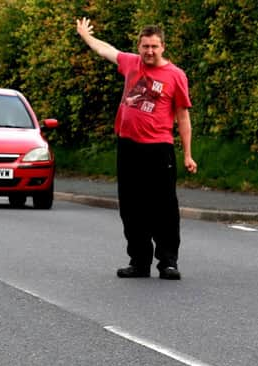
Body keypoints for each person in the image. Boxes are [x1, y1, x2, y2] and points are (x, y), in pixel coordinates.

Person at [76, 16, 198, 280]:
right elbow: (105, 49)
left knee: (164, 206)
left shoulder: (175, 76)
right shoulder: (131, 63)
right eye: (145, 47)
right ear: (139, 47)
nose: (149, 52)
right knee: (131, 207)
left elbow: (183, 117)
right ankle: (139, 261)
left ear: (163, 47)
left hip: (159, 148)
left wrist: (187, 154)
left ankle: (168, 262)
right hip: (128, 146)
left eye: (154, 47)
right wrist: (86, 36)